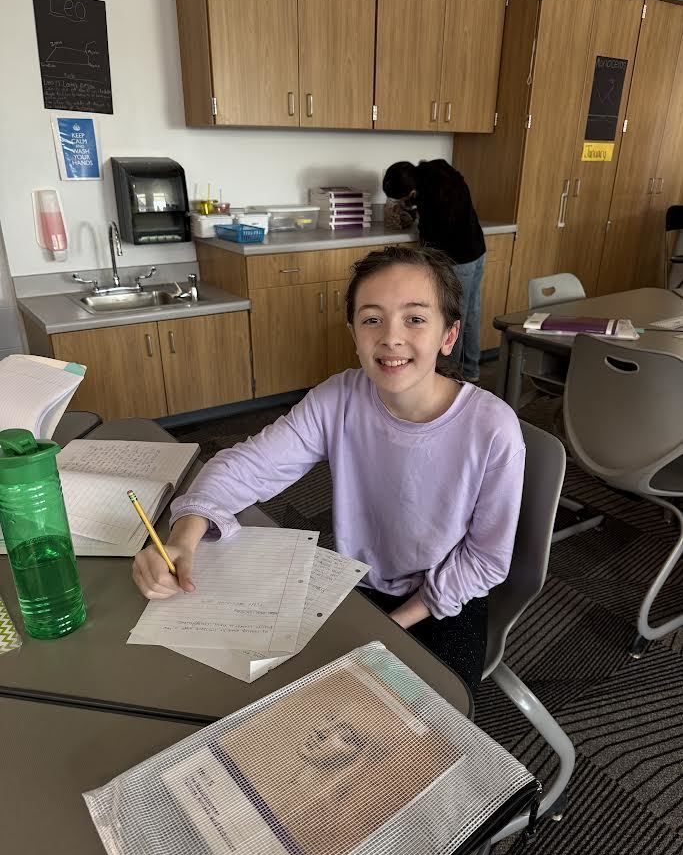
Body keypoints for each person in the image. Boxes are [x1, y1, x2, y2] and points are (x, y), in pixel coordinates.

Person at [132, 246, 525, 693]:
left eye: (415, 319)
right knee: (269, 693)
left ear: (448, 335)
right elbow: (246, 466)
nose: (391, 337)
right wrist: (182, 537)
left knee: (417, 718)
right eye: (372, 319)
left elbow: (485, 559)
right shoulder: (338, 399)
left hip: (443, 600)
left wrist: (396, 624)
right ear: (354, 333)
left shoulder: (491, 428)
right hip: (357, 584)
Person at [383, 159, 486, 383]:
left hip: (459, 259)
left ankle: (450, 377)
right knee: (471, 314)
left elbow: (430, 237)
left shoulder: (430, 197)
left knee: (452, 318)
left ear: (410, 191)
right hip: (477, 250)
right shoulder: (439, 170)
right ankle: (471, 370)